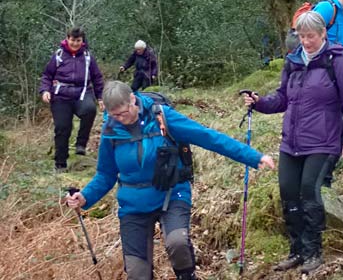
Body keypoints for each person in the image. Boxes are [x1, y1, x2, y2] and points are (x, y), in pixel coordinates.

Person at [65, 81, 275, 280]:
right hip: (133, 204)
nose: (121, 119)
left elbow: (209, 137)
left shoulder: (161, 117)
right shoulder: (111, 132)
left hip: (172, 192)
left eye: (123, 112)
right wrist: (85, 197)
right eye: (114, 115)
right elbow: (105, 174)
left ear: (132, 99)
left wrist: (253, 157)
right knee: (137, 271)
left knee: (178, 243)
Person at [244, 12, 343, 274]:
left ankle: (313, 251)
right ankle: (296, 250)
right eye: (301, 36)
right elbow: (283, 98)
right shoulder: (293, 61)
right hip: (291, 142)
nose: (306, 41)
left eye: (311, 36)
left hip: (324, 142)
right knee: (288, 194)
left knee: (310, 193)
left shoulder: (336, 61)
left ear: (322, 34)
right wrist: (259, 102)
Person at [39, 27, 105, 171]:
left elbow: (97, 78)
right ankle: (60, 162)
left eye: (78, 41)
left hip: (82, 92)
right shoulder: (59, 55)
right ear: (67, 39)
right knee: (63, 127)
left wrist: (100, 97)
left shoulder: (88, 57)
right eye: (73, 40)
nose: (75, 43)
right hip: (61, 95)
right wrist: (45, 90)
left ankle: (81, 144)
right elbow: (47, 75)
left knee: (89, 110)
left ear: (82, 41)